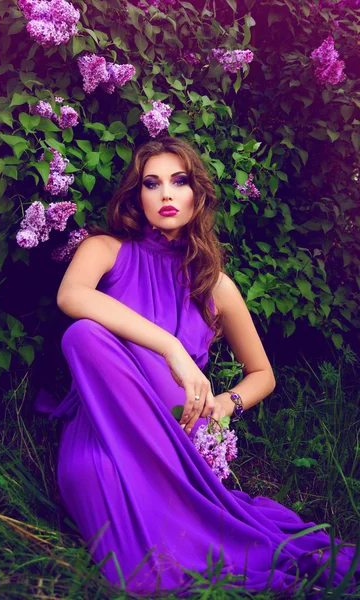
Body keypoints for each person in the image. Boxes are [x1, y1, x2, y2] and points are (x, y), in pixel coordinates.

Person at [36, 136, 359, 597]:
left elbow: (263, 374)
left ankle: (186, 502)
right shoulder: (106, 249)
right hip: (102, 432)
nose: (166, 194)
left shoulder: (216, 286)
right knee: (83, 334)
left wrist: (225, 406)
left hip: (178, 438)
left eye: (179, 181)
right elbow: (71, 297)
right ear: (137, 195)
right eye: (152, 183)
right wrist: (173, 350)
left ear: (197, 194)